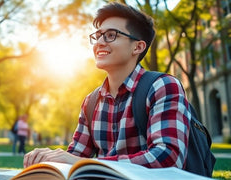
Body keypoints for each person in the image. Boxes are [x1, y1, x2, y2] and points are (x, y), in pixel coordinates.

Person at [23, 2, 191, 170]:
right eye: (98, 35)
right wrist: (49, 159)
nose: (99, 43)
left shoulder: (162, 87)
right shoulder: (91, 102)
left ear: (137, 47)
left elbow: (168, 159)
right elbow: (75, 158)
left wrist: (90, 164)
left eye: (111, 35)